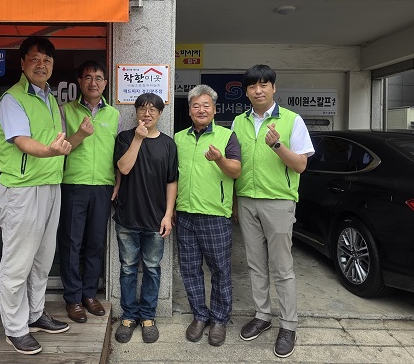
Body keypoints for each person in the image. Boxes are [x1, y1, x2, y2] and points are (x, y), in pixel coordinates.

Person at [0, 36, 72, 355]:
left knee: (42, 259)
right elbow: (22, 141)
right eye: (35, 59)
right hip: (23, 189)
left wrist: (76, 137)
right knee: (17, 263)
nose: (42, 65)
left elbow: (55, 142)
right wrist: (51, 151)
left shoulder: (49, 97)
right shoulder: (12, 99)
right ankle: (15, 329)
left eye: (47, 60)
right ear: (23, 63)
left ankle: (35, 315)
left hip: (50, 185)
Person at [232, 64, 314, 359]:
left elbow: (301, 165)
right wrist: (234, 202)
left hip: (278, 202)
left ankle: (288, 325)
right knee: (255, 264)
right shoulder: (238, 122)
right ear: (246, 91)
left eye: (264, 85)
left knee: (282, 267)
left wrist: (277, 145)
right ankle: (262, 315)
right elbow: (235, 162)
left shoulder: (292, 120)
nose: (258, 90)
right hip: (247, 200)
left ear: (273, 88)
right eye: (253, 86)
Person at [174, 84, 242, 347]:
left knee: (220, 270)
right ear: (189, 111)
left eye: (206, 105)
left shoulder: (227, 136)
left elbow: (236, 170)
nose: (201, 110)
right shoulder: (179, 138)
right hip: (185, 214)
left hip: (215, 215)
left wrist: (220, 160)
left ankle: (220, 319)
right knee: (190, 269)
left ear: (214, 109)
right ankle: (200, 315)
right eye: (196, 106)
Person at [58, 60, 120, 323]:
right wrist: (80, 134)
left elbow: (117, 153)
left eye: (98, 78)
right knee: (71, 243)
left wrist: (117, 182)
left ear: (105, 83)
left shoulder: (114, 115)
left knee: (96, 243)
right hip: (74, 184)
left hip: (103, 186)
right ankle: (72, 298)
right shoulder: (65, 111)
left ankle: (89, 294)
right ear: (80, 82)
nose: (93, 82)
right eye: (88, 77)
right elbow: (59, 148)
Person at [113, 93, 177, 344]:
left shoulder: (168, 144)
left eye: (152, 110)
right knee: (128, 268)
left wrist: (168, 215)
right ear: (136, 111)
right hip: (127, 217)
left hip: (155, 219)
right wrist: (138, 139)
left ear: (160, 113)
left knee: (152, 268)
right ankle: (129, 316)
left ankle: (148, 316)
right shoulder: (125, 138)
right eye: (142, 108)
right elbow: (124, 168)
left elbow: (172, 181)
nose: (147, 114)